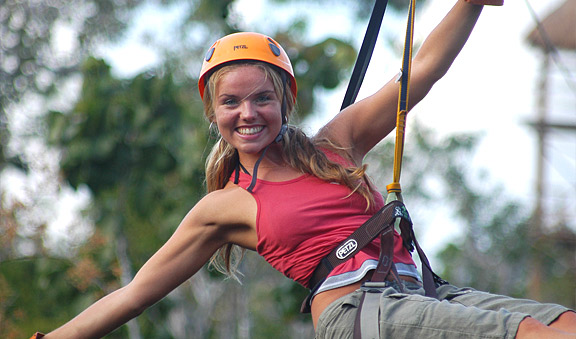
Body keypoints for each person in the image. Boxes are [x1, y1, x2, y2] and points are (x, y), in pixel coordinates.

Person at [32, 1, 576, 338]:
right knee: (531, 334)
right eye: (232, 103)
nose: (248, 113)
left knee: (563, 324)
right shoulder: (226, 205)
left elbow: (421, 72)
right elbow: (134, 293)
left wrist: (471, 3)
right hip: (360, 313)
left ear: (286, 100)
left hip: (425, 293)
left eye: (262, 98)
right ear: (214, 113)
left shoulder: (338, 143)